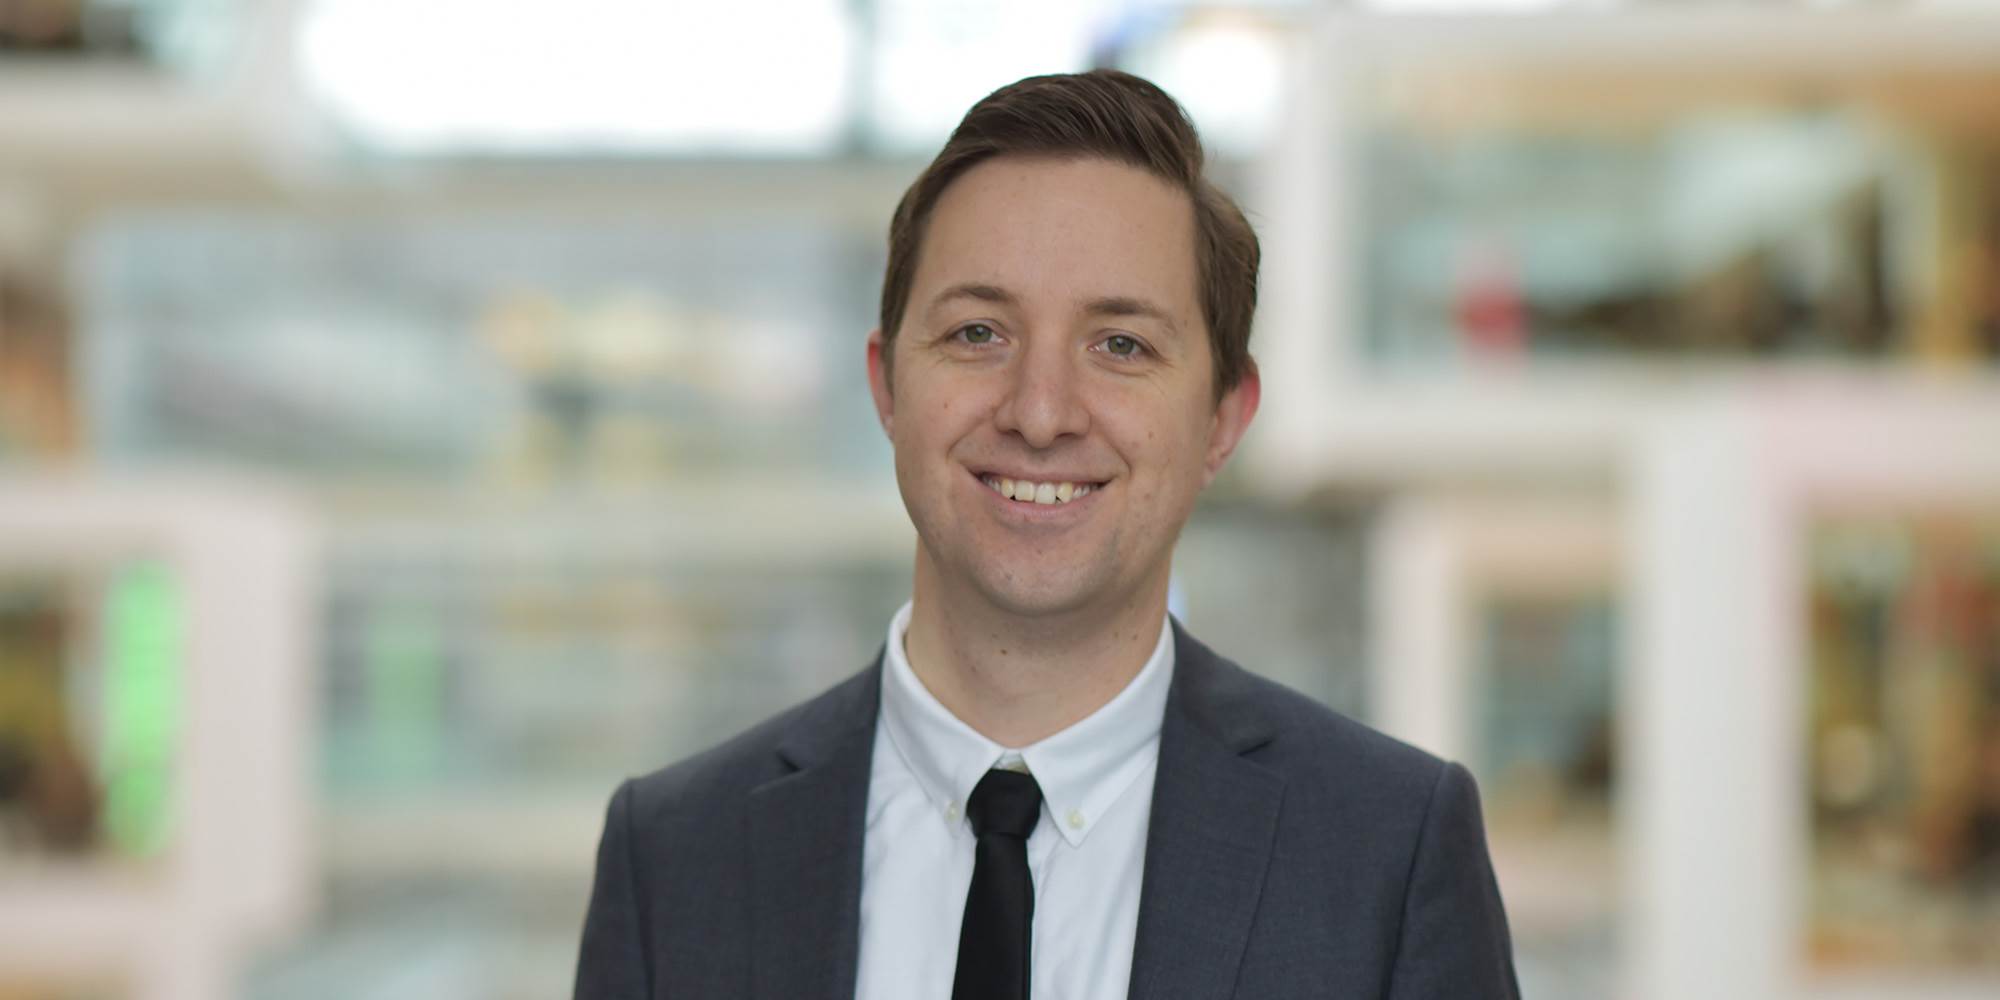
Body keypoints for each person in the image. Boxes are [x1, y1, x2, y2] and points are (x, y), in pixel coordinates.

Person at [574, 69, 1518, 1000]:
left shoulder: (1388, 854)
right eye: (978, 333)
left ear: (1223, 420)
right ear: (887, 385)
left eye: (1121, 345)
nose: (1039, 411)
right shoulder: (672, 859)